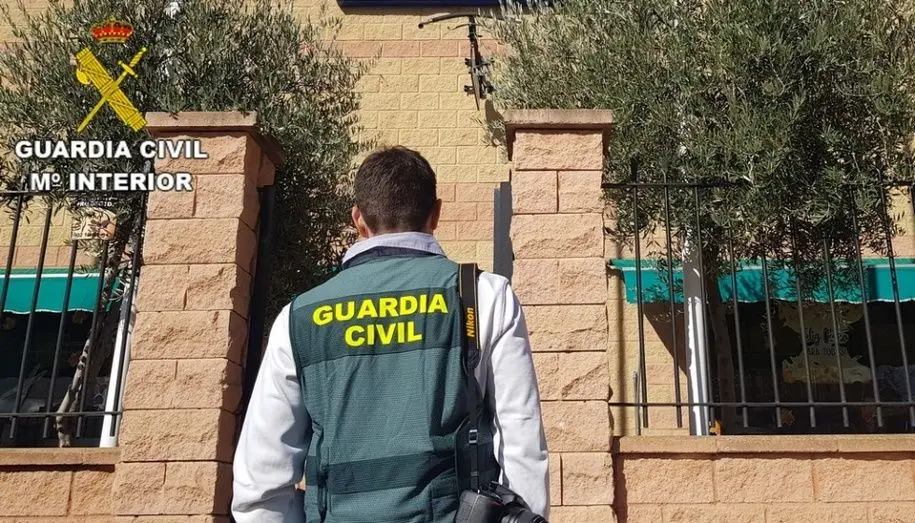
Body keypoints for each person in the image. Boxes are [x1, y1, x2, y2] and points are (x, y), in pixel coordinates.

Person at [232, 146, 549, 523]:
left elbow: (260, 484)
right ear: (436, 214)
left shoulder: (299, 317)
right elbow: (521, 445)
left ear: (358, 219)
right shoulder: (484, 297)